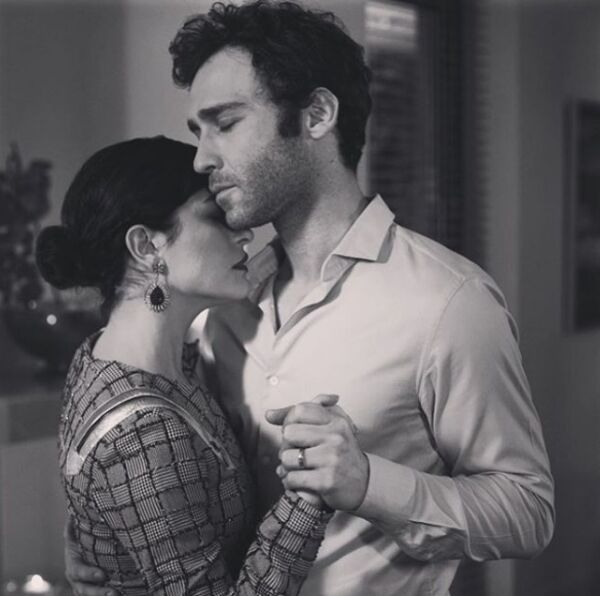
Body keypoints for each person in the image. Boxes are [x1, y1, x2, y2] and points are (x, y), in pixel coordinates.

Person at [67, 2, 555, 595]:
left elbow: (528, 511)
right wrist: (105, 539)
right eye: (198, 132)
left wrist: (369, 483)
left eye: (225, 123)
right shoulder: (217, 306)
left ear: (317, 114)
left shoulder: (449, 303)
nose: (201, 158)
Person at [36, 136, 334, 596]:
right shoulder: (142, 432)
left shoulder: (110, 355)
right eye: (215, 215)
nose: (243, 232)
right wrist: (308, 496)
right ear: (145, 245)